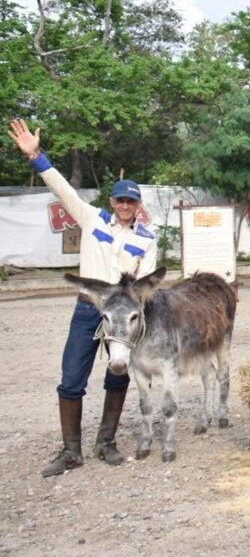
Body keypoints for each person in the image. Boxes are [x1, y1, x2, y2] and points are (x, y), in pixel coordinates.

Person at [8, 118, 158, 477]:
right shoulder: (91, 218)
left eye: (131, 201)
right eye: (121, 199)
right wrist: (36, 157)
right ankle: (70, 451)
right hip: (88, 309)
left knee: (117, 375)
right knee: (71, 378)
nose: (125, 205)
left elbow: (146, 284)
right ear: (112, 200)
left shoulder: (147, 238)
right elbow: (64, 191)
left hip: (122, 316)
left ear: (138, 205)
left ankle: (106, 443)